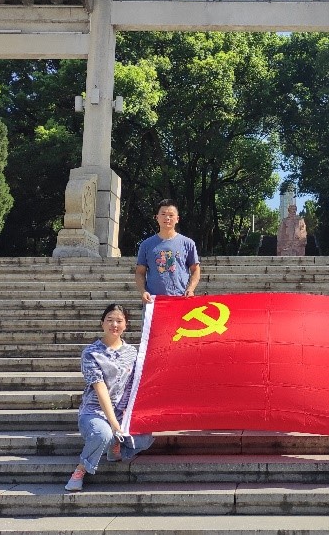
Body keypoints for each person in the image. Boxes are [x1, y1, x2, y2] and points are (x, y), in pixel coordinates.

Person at [65, 304, 155, 491]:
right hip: (95, 412)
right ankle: (81, 469)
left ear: (126, 325)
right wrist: (114, 424)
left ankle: (115, 446)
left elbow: (135, 384)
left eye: (119, 321)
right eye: (110, 320)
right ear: (102, 323)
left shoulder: (132, 352)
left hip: (122, 412)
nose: (114, 324)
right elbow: (100, 390)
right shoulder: (91, 353)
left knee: (145, 437)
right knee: (102, 434)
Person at [135, 199, 201, 302]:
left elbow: (195, 270)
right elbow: (140, 272)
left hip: (180, 299)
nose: (167, 218)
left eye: (171, 215)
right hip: (153, 301)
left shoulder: (188, 243)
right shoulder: (146, 245)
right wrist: (143, 291)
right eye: (163, 214)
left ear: (177, 219)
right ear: (157, 217)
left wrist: (191, 289)